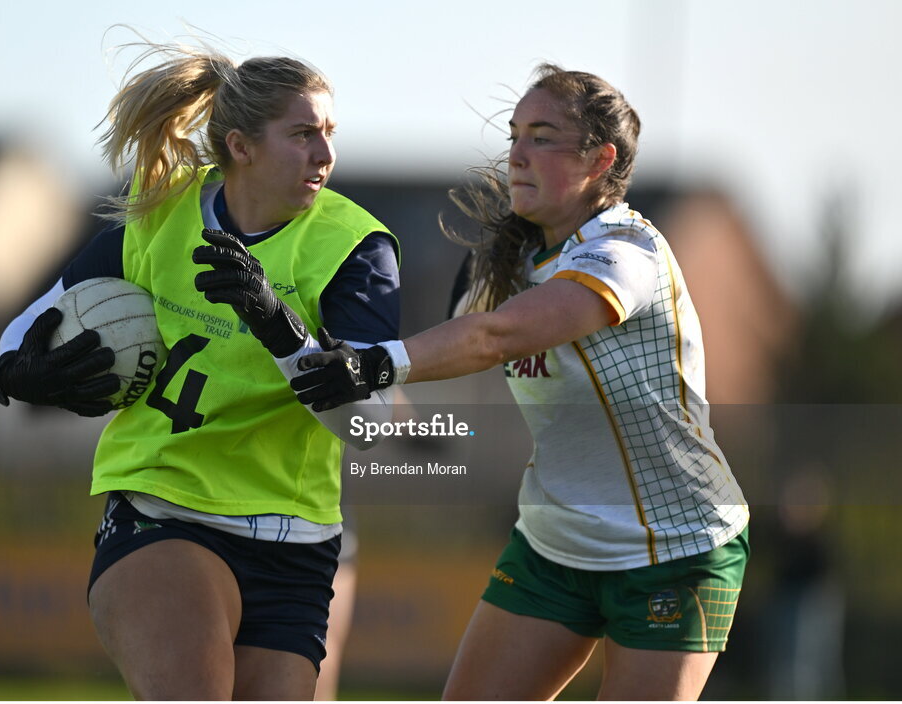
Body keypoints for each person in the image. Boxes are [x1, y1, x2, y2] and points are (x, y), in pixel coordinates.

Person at [211, 63, 750, 700]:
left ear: (601, 161)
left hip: (676, 547)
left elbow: (496, 337)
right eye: (515, 135)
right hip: (553, 544)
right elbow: (447, 354)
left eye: (542, 137)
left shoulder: (627, 251)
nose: (517, 154)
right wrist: (327, 361)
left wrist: (374, 362)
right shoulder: (512, 261)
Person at [0, 40, 401, 700]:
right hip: (164, 511)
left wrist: (282, 331)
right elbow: (28, 321)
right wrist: (17, 370)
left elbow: (370, 429)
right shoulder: (162, 212)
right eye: (302, 135)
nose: (324, 154)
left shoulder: (357, 248)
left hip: (298, 543)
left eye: (329, 133)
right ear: (241, 146)